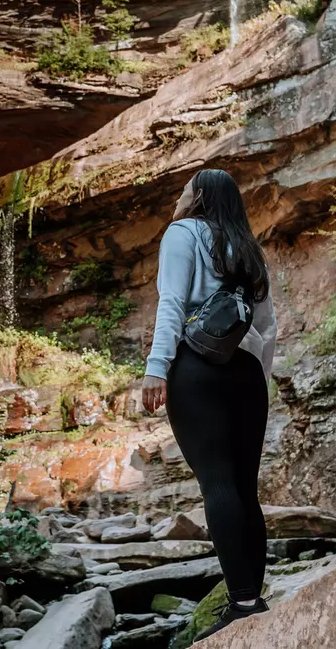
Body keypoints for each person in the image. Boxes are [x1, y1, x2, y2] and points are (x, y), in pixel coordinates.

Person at [140, 169, 277, 643]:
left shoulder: (182, 233)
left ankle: (240, 604)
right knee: (246, 489)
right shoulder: (248, 249)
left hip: (197, 369)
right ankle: (252, 600)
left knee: (217, 483)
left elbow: (172, 303)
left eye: (183, 190)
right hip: (245, 374)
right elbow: (268, 326)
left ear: (198, 197)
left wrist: (157, 367)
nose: (177, 197)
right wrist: (257, 383)